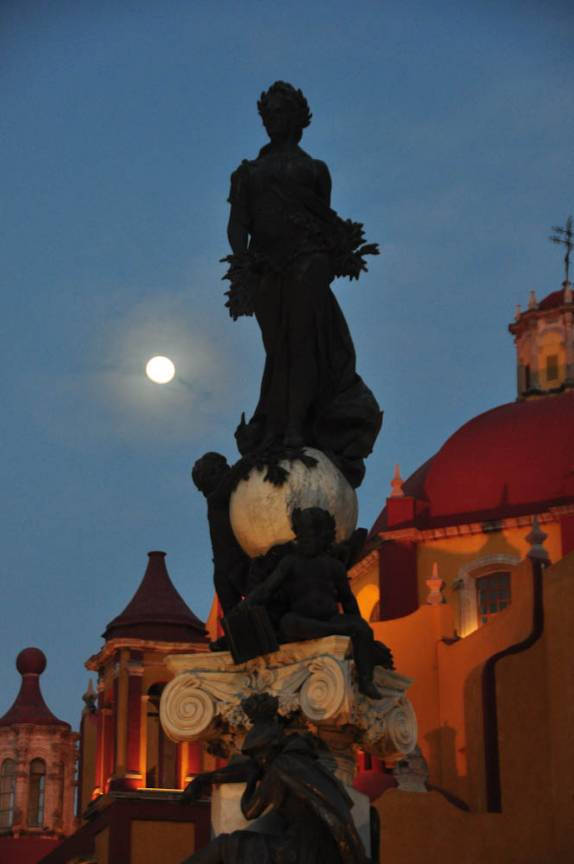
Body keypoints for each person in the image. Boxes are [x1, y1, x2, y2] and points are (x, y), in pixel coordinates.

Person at [224, 81, 382, 488]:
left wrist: (332, 257)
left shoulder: (315, 171)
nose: (276, 120)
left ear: (299, 119)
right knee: (278, 350)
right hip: (267, 269)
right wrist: (244, 264)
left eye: (283, 113)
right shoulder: (247, 174)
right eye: (270, 114)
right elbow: (237, 224)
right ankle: (277, 424)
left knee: (304, 343)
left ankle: (295, 429)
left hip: (308, 264)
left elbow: (324, 222)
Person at [181, 693, 370, 864]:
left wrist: (252, 780)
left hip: (300, 852)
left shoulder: (282, 767)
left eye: (257, 755)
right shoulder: (295, 761)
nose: (257, 761)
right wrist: (205, 778)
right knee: (229, 845)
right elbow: (248, 768)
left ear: (267, 749)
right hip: (311, 848)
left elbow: (250, 810)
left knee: (226, 846)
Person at [245, 507, 384, 699]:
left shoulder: (333, 566)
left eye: (310, 537)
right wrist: (248, 604)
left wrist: (357, 622)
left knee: (363, 629)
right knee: (289, 623)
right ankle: (329, 633)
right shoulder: (290, 562)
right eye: (301, 537)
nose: (305, 542)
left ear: (324, 538)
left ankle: (366, 680)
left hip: (329, 620)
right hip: (302, 619)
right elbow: (267, 588)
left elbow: (348, 600)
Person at [191, 452, 250, 616]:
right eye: (221, 469)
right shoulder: (215, 499)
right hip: (228, 567)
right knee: (236, 618)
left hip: (233, 564)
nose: (226, 470)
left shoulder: (230, 498)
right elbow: (235, 474)